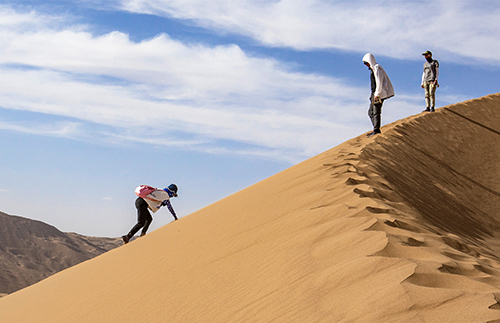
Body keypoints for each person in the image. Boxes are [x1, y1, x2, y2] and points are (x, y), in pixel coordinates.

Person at [362, 53, 395, 137]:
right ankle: (375, 129)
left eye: (366, 63)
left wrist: (377, 94)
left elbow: (379, 82)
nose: (366, 65)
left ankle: (376, 130)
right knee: (370, 112)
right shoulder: (373, 69)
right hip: (374, 93)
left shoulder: (377, 68)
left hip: (379, 93)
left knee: (376, 112)